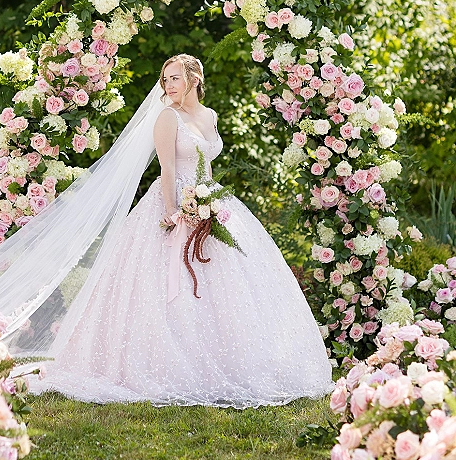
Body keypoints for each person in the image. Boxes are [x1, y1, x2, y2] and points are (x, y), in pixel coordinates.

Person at [29, 53, 334, 406]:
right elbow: (168, 170)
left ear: (194, 79)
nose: (168, 85)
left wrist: (209, 202)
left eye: (174, 78)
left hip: (210, 200)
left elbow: (206, 164)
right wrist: (174, 213)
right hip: (174, 201)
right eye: (165, 79)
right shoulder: (167, 117)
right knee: (166, 285)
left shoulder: (210, 115)